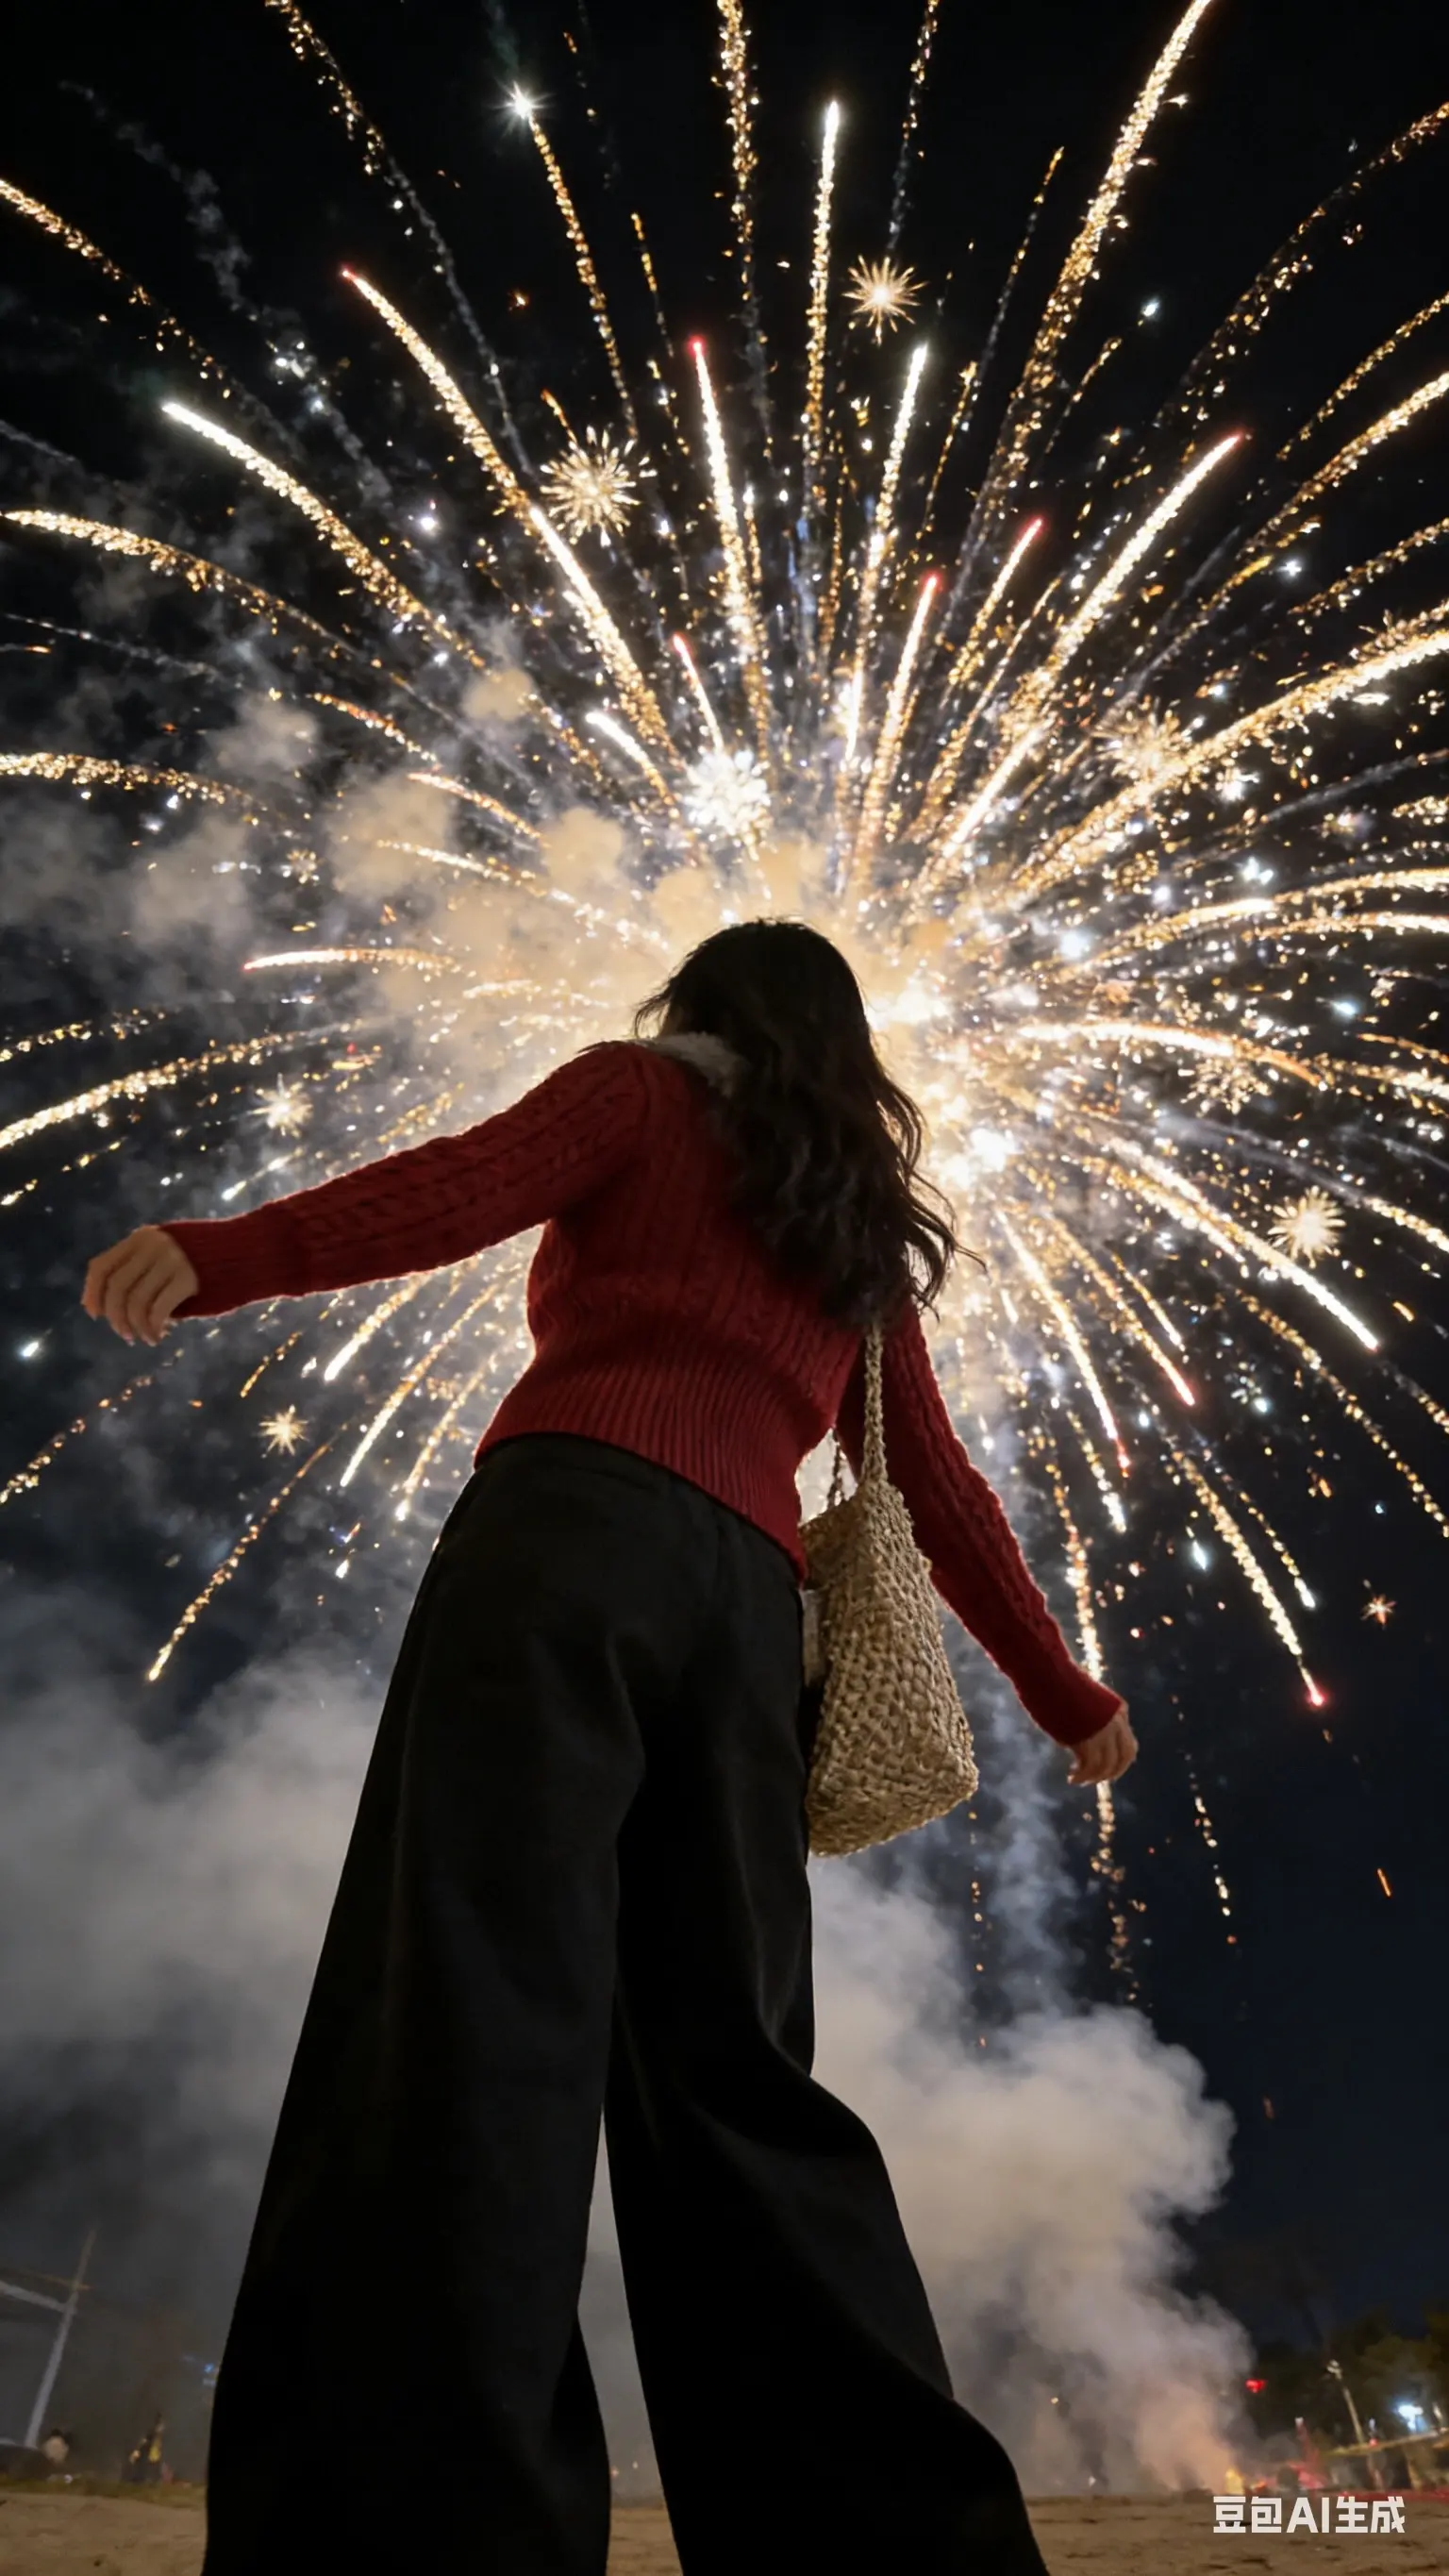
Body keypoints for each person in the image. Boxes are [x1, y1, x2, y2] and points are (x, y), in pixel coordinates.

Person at [83, 920, 1135, 2576]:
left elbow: (447, 1189)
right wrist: (1068, 1692)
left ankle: (427, 2539)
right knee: (734, 2072)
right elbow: (939, 1487)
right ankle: (885, 2547)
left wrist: (220, 1252)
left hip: (565, 1541)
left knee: (467, 2020)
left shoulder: (638, 1096)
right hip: (748, 1618)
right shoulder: (849, 1230)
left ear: (702, 1007)